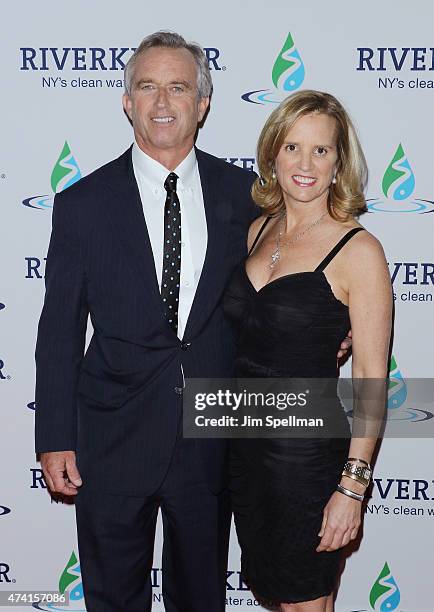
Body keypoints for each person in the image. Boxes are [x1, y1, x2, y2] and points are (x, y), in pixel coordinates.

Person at [34, 32, 352, 611]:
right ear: (126, 101)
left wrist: (334, 325)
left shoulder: (249, 199)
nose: (162, 102)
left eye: (178, 87)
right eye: (147, 87)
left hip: (214, 438)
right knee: (112, 599)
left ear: (202, 104)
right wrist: (54, 437)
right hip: (111, 440)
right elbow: (58, 330)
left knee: (202, 598)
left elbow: (296, 279)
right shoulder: (83, 203)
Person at [224, 90, 392, 611]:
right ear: (273, 153)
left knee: (305, 602)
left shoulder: (358, 250)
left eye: (321, 151)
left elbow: (371, 381)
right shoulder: (257, 230)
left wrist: (352, 488)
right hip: (245, 452)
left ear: (340, 161)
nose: (305, 164)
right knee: (275, 596)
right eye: (293, 147)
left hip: (306, 460)